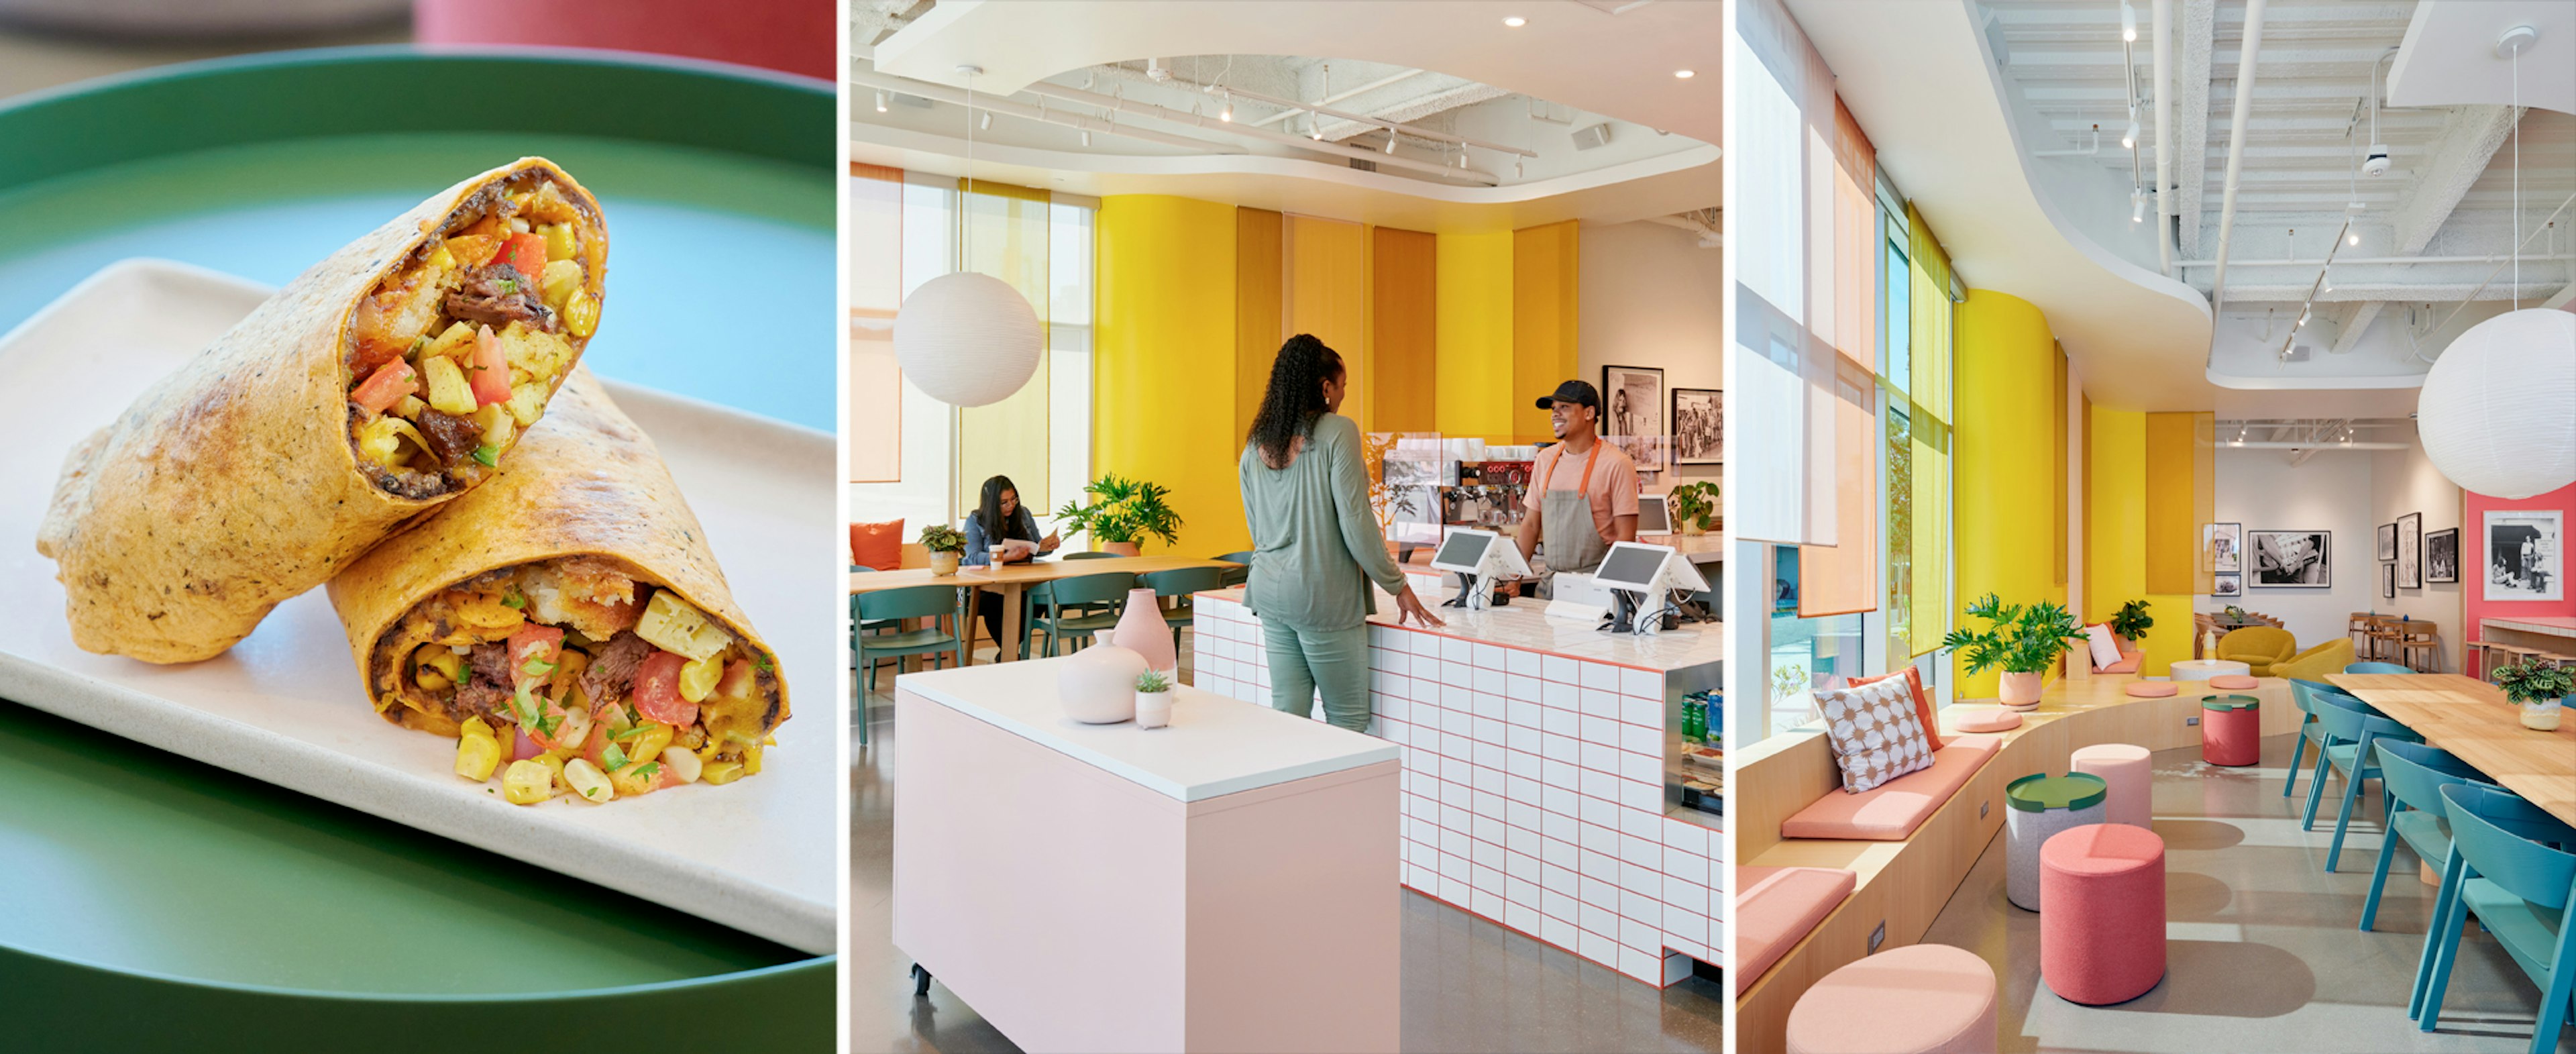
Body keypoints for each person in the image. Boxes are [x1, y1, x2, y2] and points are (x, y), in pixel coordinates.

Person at [1238, 333, 1442, 731]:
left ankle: (1289, 794)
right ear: (1325, 387)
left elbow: (1257, 529)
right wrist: (1397, 584)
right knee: (1347, 719)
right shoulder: (1337, 432)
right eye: (1343, 386)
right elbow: (1356, 522)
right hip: (1321, 594)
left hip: (1268, 590)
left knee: (1289, 711)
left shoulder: (1255, 444)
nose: (1344, 395)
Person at [1514, 380, 1640, 594]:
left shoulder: (1617, 463)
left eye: (1564, 407)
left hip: (1597, 587)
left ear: (1589, 413)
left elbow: (1625, 538)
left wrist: (1616, 592)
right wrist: (1514, 577)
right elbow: (1531, 526)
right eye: (1554, 409)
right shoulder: (1545, 460)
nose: (1555, 414)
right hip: (1550, 586)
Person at [961, 475, 1057, 653]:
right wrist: (1004, 557)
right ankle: (1009, 651)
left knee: (1042, 597)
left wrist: (1047, 546)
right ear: (991, 504)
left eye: (1014, 499)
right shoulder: (976, 520)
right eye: (1004, 502)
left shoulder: (1024, 514)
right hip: (989, 586)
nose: (1011, 506)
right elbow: (972, 557)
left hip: (1023, 581)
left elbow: (1036, 547)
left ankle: (1009, 651)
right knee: (993, 602)